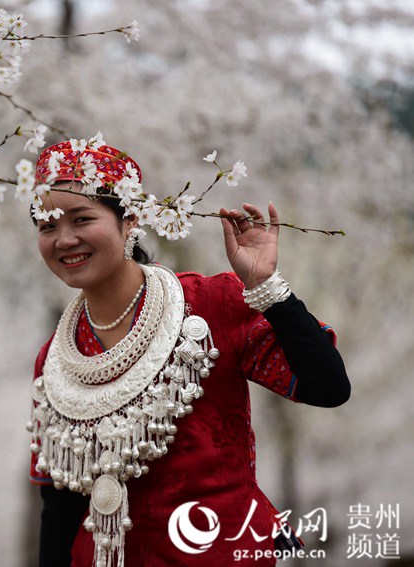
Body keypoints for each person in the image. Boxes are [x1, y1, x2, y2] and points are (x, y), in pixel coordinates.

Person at [26, 141, 350, 567]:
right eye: (47, 225)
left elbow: (328, 388)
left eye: (82, 218)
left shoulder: (211, 304)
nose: (64, 239)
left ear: (130, 221)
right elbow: (61, 505)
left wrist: (269, 289)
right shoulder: (58, 358)